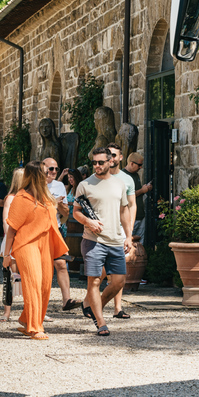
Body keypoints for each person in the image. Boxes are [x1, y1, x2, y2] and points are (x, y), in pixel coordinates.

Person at [2, 161, 69, 340]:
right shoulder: (21, 198)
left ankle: (26, 319)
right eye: (46, 172)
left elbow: (60, 219)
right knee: (32, 283)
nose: (50, 174)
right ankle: (35, 326)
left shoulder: (47, 198)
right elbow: (12, 229)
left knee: (45, 284)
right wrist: (7, 255)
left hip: (45, 244)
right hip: (26, 244)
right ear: (37, 175)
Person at [73, 147, 132, 336]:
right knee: (95, 281)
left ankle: (90, 305)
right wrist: (89, 221)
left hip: (115, 239)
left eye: (100, 162)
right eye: (94, 163)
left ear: (110, 162)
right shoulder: (84, 185)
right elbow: (76, 212)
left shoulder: (119, 184)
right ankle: (100, 322)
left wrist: (128, 236)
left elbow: (124, 211)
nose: (97, 166)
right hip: (93, 241)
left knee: (118, 282)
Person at [43, 157, 81, 312]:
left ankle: (67, 300)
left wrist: (58, 203)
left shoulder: (59, 186)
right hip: (40, 230)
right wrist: (51, 201)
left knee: (61, 264)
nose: (53, 172)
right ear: (42, 168)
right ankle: (40, 303)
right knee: (44, 267)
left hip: (56, 228)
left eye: (56, 169)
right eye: (50, 169)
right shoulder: (35, 184)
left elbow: (66, 211)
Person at [106, 142, 136, 319]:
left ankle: (118, 308)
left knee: (119, 269)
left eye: (114, 155)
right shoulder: (100, 177)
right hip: (103, 230)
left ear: (121, 157)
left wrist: (129, 232)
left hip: (120, 230)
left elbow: (132, 206)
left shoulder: (127, 180)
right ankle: (91, 302)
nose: (111, 158)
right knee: (101, 272)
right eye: (108, 155)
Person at [0, 168, 24, 322]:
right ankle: (7, 312)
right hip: (13, 240)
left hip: (25, 240)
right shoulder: (11, 198)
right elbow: (6, 221)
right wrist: (11, 240)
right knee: (10, 277)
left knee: (28, 277)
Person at [123, 152, 152, 243]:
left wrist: (145, 189)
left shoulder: (135, 174)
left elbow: (135, 193)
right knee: (128, 242)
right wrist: (142, 191)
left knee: (140, 244)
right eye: (139, 165)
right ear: (131, 163)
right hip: (129, 217)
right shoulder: (123, 176)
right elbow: (125, 196)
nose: (140, 167)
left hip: (140, 215)